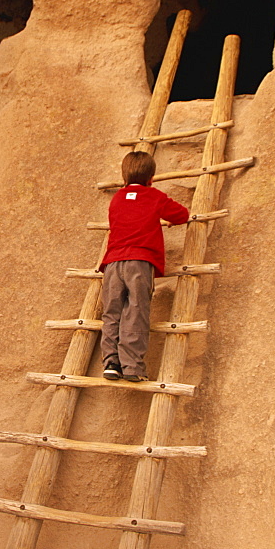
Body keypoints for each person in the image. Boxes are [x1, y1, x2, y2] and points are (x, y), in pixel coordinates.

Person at [99, 150, 190, 382]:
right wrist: (165, 220)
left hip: (112, 264)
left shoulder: (117, 198)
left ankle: (111, 362)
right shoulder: (154, 197)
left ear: (124, 177)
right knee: (136, 310)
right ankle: (132, 367)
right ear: (151, 178)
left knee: (112, 312)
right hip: (140, 262)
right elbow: (182, 214)